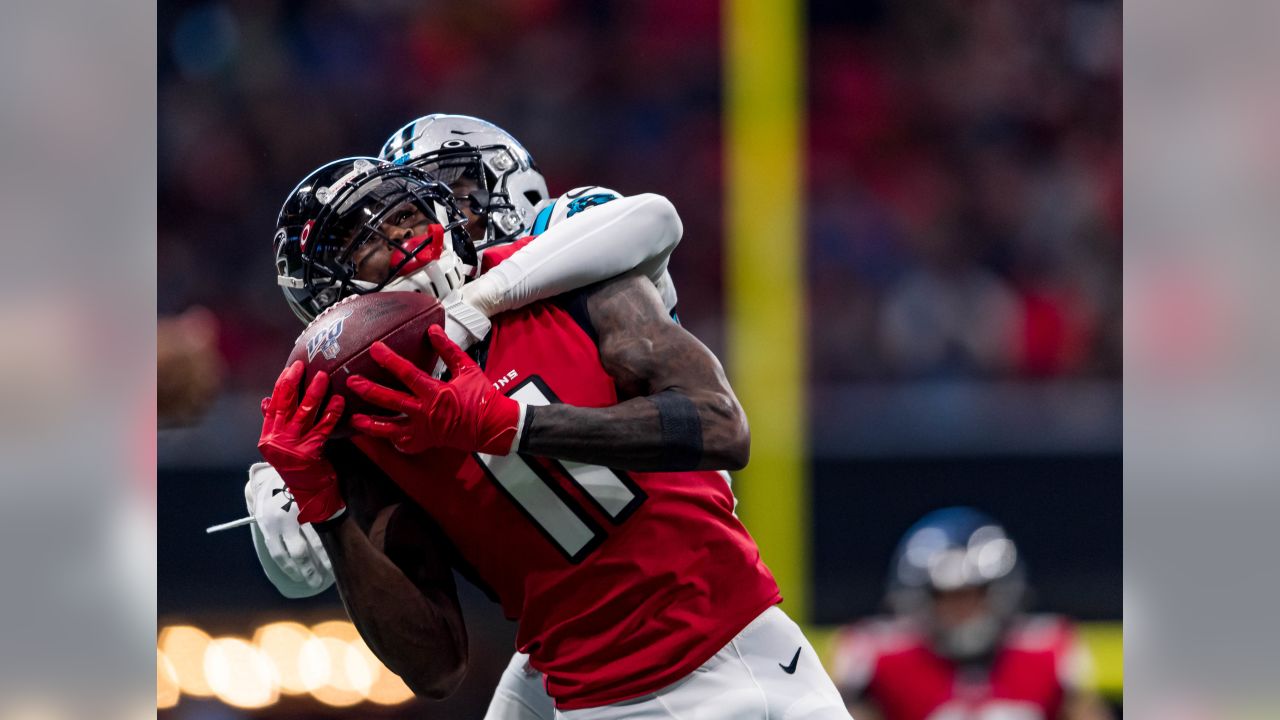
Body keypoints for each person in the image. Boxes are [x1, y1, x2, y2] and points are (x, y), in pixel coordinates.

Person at [256, 158, 851, 718]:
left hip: (735, 664)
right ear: (326, 297)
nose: (402, 243)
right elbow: (435, 668)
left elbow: (720, 427)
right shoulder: (366, 423)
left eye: (404, 216)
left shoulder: (560, 272)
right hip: (579, 697)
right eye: (366, 243)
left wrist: (513, 426)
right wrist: (325, 510)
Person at [246, 114, 686, 718]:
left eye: (448, 194)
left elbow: (653, 217)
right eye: (375, 229)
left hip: (669, 559)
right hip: (569, 609)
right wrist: (280, 481)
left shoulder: (561, 234)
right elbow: (305, 579)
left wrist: (480, 299)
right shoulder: (411, 333)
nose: (436, 220)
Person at [827, 507, 1112, 720]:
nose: (961, 611)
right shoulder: (880, 658)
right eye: (946, 598)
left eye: (971, 596)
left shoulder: (1046, 651)